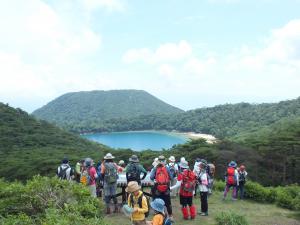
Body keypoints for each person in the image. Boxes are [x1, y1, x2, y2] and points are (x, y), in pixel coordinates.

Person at [150, 155, 174, 222]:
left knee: (157, 201)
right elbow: (171, 178)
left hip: (157, 188)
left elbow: (151, 177)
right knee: (168, 203)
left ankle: (158, 216)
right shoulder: (167, 167)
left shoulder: (155, 168)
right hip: (166, 188)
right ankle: (170, 216)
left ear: (158, 161)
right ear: (164, 160)